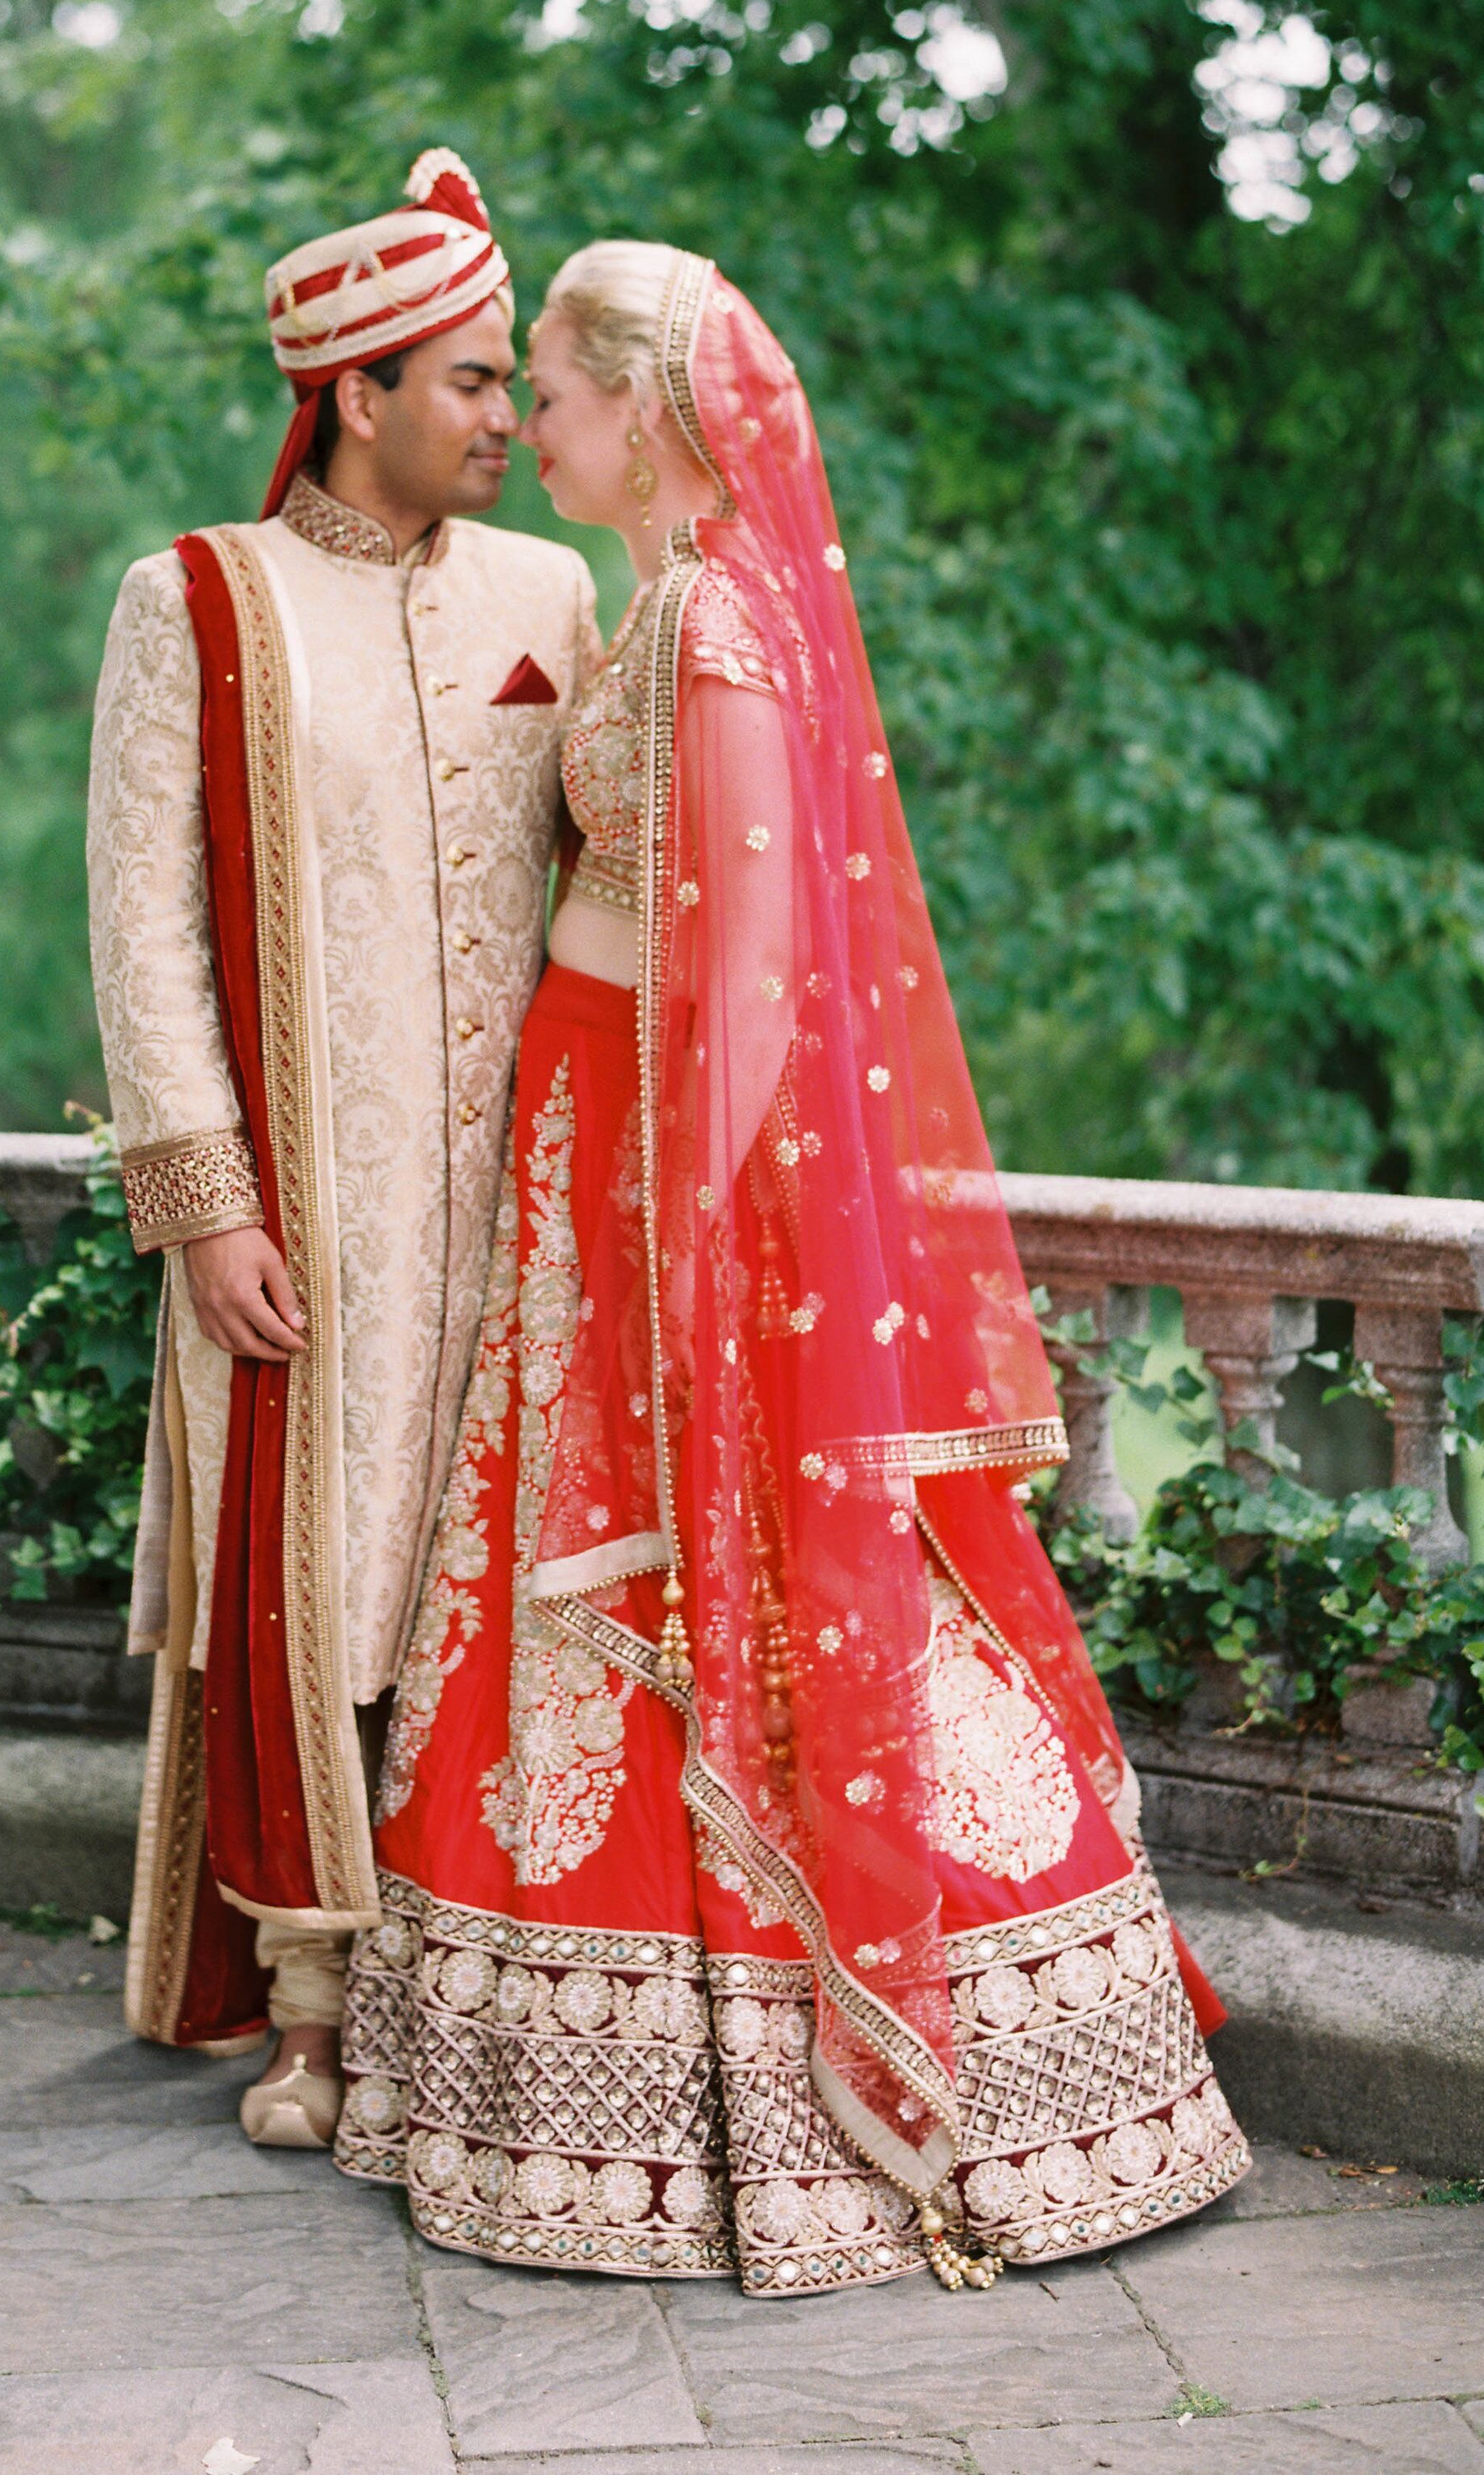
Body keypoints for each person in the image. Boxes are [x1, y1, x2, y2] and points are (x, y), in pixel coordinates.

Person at [335, 241, 1249, 2290]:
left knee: (729, 1585)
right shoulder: (666, 609)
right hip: (590, 1146)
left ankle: (852, 2094)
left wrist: (665, 1232)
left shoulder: (719, 628)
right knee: (585, 1589)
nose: (527, 426)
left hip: (662, 1177)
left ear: (640, 405)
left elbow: (747, 971)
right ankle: (562, 2091)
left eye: (549, 391)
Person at [88, 151, 600, 2148]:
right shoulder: (198, 600)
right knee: (315, 1583)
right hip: (306, 1215)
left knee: (496, 1591)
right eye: (469, 382)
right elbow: (143, 924)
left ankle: (484, 1980)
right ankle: (308, 2005)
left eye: (507, 381)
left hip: (529, 1208)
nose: (505, 418)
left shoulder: (554, 594)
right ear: (357, 392)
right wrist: (202, 1204)